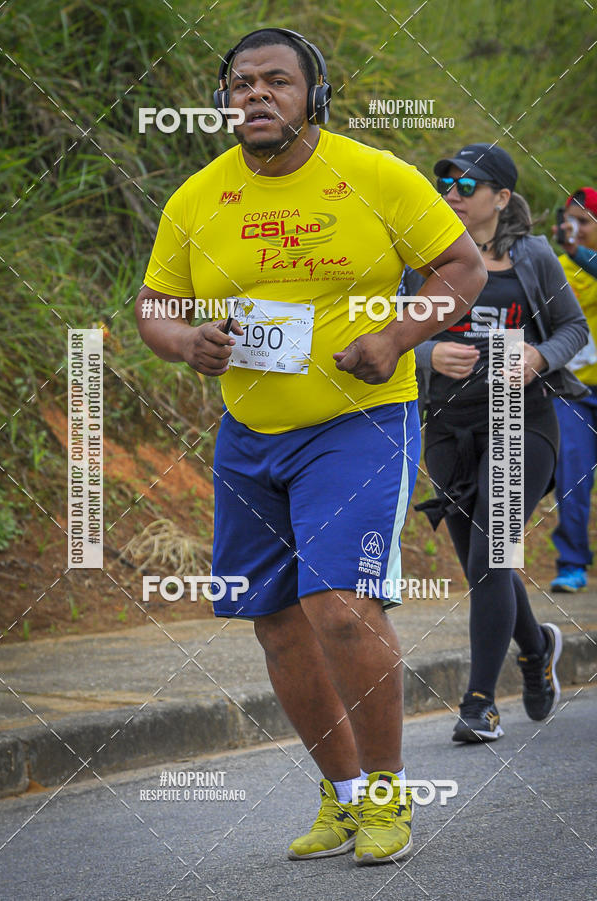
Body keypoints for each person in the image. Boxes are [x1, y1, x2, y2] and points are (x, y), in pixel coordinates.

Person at [134, 29, 486, 864]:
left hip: (358, 423)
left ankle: (392, 792)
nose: (254, 95)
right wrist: (187, 343)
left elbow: (461, 267)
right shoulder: (197, 197)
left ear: (313, 95)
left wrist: (396, 336)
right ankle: (345, 793)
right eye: (240, 83)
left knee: (340, 604)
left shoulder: (374, 177)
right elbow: (155, 306)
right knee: (277, 622)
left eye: (276, 82)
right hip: (250, 435)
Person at [413, 143, 589, 743]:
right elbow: (381, 336)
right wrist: (429, 352)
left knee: (494, 549)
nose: (453, 194)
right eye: (446, 184)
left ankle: (480, 702)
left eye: (468, 185)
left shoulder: (533, 256)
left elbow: (573, 327)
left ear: (502, 198)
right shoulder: (423, 258)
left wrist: (539, 354)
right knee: (485, 561)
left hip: (522, 416)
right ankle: (537, 647)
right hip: (447, 424)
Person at [550, 188, 597, 592]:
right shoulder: (556, 268)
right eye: (570, 221)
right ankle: (572, 563)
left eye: (584, 222)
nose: (575, 230)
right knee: (573, 472)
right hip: (574, 391)